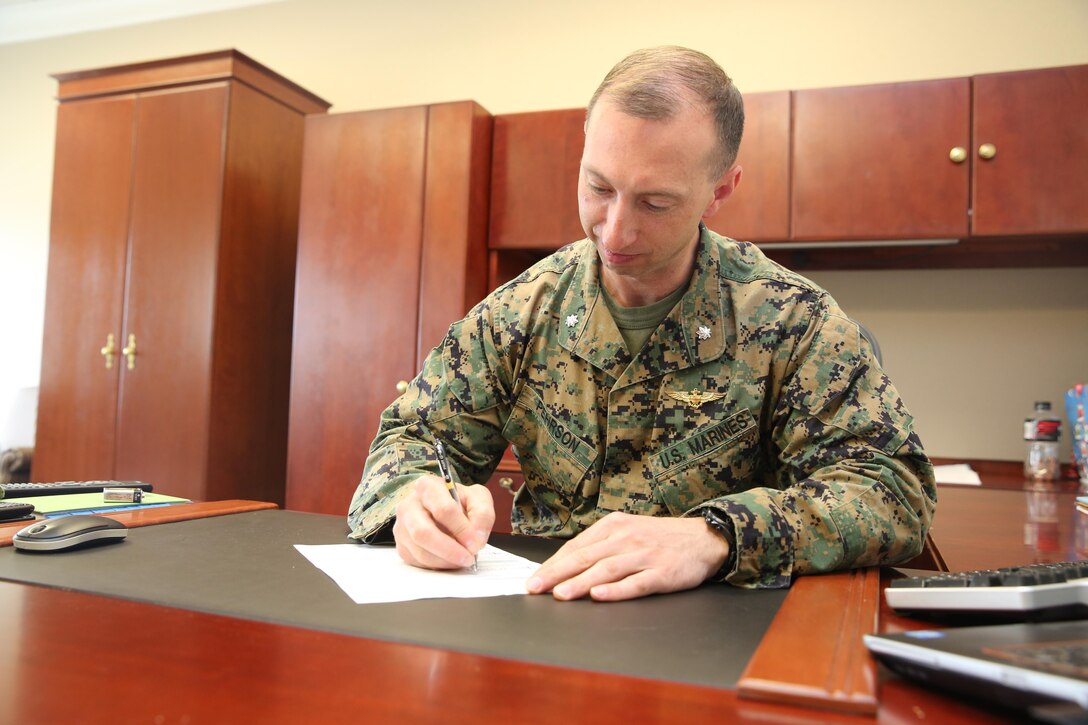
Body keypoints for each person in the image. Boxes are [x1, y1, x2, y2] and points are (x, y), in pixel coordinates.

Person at [348, 46, 936, 600]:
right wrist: (415, 502)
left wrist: (717, 537)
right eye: (598, 187)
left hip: (720, 634)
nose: (615, 230)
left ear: (721, 189)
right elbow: (411, 439)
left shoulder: (793, 322)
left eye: (655, 203)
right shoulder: (518, 314)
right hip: (540, 619)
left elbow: (892, 491)